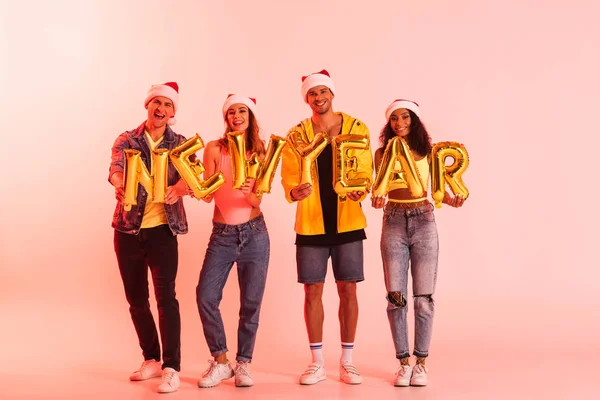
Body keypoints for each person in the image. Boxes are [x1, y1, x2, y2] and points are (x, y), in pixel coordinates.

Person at [281, 70, 373, 385]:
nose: (318, 98)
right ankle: (317, 362)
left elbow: (366, 169)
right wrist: (294, 191)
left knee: (348, 289)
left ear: (332, 94)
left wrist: (364, 187)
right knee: (313, 291)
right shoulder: (297, 135)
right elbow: (288, 174)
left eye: (323, 92)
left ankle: (347, 360)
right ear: (306, 99)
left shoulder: (357, 127)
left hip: (348, 221)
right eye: (312, 94)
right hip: (310, 225)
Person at [371, 99, 466, 387]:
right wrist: (376, 201)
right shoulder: (382, 154)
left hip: (424, 220)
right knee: (395, 298)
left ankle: (421, 362)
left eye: (406, 118)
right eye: (394, 119)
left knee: (423, 300)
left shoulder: (430, 153)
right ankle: (403, 362)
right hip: (394, 222)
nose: (400, 123)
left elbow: (437, 191)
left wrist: (452, 199)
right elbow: (381, 190)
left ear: (415, 121)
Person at [108, 81, 190, 393]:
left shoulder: (181, 144)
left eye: (168, 105)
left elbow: (195, 181)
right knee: (136, 300)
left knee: (165, 298)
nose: (161, 109)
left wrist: (181, 187)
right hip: (127, 230)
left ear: (173, 112)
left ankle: (171, 366)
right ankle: (151, 359)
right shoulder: (127, 139)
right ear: (148, 105)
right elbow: (115, 167)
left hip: (163, 232)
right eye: (157, 102)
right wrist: (119, 182)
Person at [195, 94, 270, 388]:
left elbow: (256, 201)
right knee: (205, 296)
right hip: (223, 235)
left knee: (251, 303)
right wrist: (197, 187)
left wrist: (252, 189)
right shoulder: (215, 148)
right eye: (231, 113)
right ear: (226, 118)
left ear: (250, 116)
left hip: (255, 234)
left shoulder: (261, 152)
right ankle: (221, 361)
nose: (237, 116)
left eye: (242, 111)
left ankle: (244, 364)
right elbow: (210, 192)